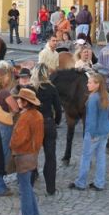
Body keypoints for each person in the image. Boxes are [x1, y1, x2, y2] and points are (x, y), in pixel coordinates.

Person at [69, 73, 109, 191]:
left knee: (86, 158)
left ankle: (81, 183)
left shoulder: (93, 98)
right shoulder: (107, 96)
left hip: (93, 134)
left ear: (97, 84)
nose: (87, 84)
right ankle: (99, 183)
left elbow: (91, 119)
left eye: (90, 82)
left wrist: (90, 134)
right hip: (104, 131)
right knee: (101, 157)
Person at [10, 88, 44, 215]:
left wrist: (11, 143)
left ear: (26, 102)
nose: (17, 101)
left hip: (24, 155)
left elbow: (19, 139)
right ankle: (34, 213)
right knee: (27, 186)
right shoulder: (37, 114)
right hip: (33, 154)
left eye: (20, 99)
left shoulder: (25, 117)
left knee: (24, 188)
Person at [30, 63, 62, 195]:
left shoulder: (32, 89)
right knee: (50, 157)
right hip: (48, 123)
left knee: (31, 156)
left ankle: (29, 185)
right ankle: (51, 188)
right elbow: (58, 109)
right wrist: (56, 122)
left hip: (34, 124)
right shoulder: (52, 88)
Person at [0, 67, 20, 197]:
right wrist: (13, 112)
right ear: (2, 78)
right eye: (7, 76)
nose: (9, 78)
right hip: (4, 127)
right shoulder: (5, 93)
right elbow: (16, 108)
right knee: (3, 156)